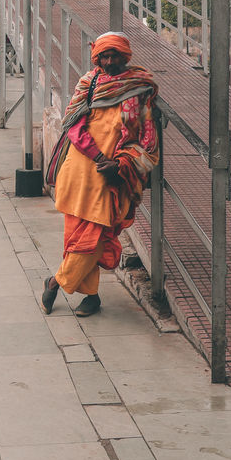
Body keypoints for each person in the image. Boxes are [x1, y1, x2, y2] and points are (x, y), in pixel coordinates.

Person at [43, 31, 158, 317]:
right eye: (103, 56)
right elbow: (73, 126)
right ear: (97, 58)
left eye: (114, 55)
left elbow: (147, 137)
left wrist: (121, 165)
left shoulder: (140, 86)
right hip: (81, 167)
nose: (109, 61)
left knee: (96, 233)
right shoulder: (89, 82)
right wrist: (99, 157)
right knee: (76, 233)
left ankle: (56, 282)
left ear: (125, 55)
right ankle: (91, 297)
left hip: (112, 173)